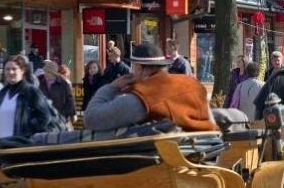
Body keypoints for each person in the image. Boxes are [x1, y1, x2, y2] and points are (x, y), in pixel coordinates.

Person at [0, 55, 65, 188]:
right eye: (7, 69)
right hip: (4, 148)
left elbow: (45, 117)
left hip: (23, 149)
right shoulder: (3, 92)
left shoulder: (30, 91)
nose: (10, 72)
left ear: (22, 71)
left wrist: (27, 134)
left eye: (14, 69)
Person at [84, 43, 217, 132]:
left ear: (140, 68)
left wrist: (112, 87)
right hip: (203, 154)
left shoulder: (141, 97)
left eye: (134, 66)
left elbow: (91, 119)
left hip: (163, 165)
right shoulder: (193, 84)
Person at [38, 60, 76, 128]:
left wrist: (70, 114)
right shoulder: (40, 82)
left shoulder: (63, 83)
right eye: (45, 71)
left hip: (60, 117)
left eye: (48, 72)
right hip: (45, 118)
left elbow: (70, 99)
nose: (46, 74)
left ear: (54, 73)